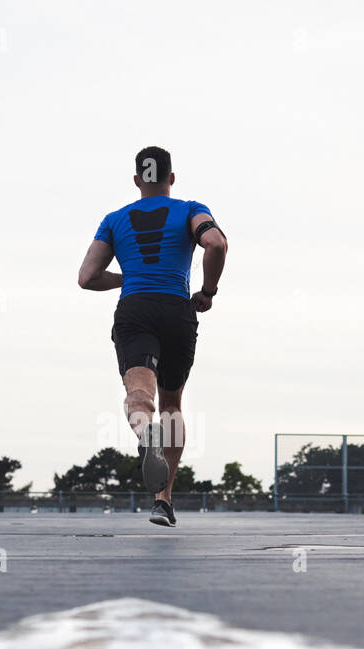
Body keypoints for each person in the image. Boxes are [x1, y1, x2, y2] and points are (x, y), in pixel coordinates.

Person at [77, 146, 228, 527]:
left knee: (138, 395)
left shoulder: (114, 219)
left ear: (135, 180)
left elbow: (87, 277)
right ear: (171, 178)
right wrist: (207, 291)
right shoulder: (190, 209)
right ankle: (163, 501)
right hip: (178, 310)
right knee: (172, 403)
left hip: (136, 309)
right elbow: (216, 244)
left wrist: (129, 278)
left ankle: (146, 433)